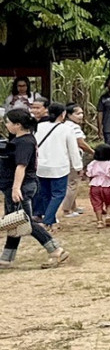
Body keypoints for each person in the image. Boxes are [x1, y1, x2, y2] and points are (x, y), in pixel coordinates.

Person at [3, 107, 65, 267]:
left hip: (21, 185)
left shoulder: (24, 142)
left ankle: (56, 250)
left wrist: (16, 188)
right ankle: (6, 257)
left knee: (26, 222)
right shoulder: (22, 140)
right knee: (14, 221)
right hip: (19, 185)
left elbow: (21, 166)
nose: (6, 125)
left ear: (17, 125)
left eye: (8, 122)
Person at [32, 100, 81, 228]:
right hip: (59, 167)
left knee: (45, 194)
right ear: (63, 114)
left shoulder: (39, 127)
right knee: (58, 194)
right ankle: (48, 220)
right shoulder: (67, 129)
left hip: (41, 166)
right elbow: (73, 150)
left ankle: (51, 220)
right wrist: (78, 166)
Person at [85, 143, 110, 230]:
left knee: (97, 204)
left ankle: (99, 221)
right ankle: (108, 215)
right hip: (108, 184)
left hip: (95, 185)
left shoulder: (92, 163)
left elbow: (89, 174)